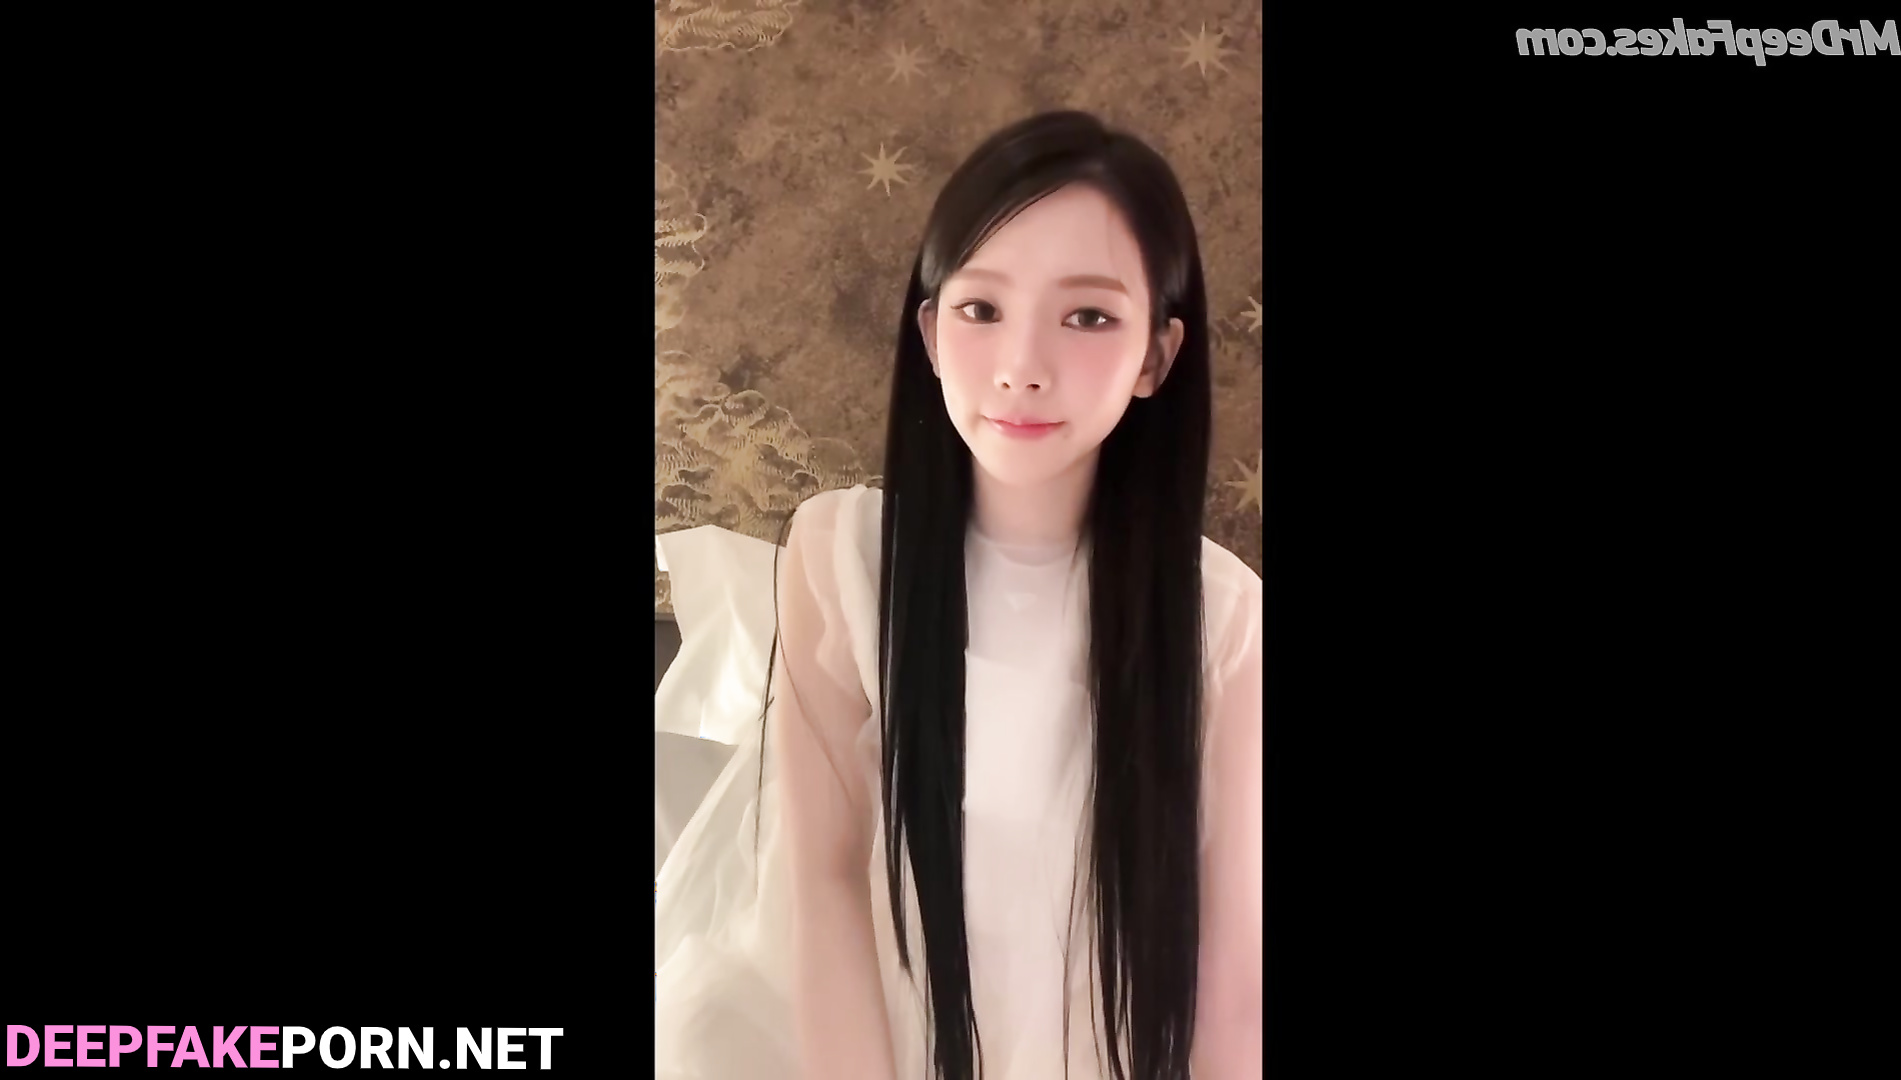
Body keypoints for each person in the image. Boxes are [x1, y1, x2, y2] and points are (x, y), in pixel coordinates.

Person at [654, 110, 1262, 1080]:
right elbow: (823, 878)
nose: (1022, 367)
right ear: (931, 334)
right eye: (982, 310)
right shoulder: (843, 552)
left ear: (1155, 356)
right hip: (850, 1025)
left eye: (1089, 317)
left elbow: (1228, 974)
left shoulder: (1222, 617)